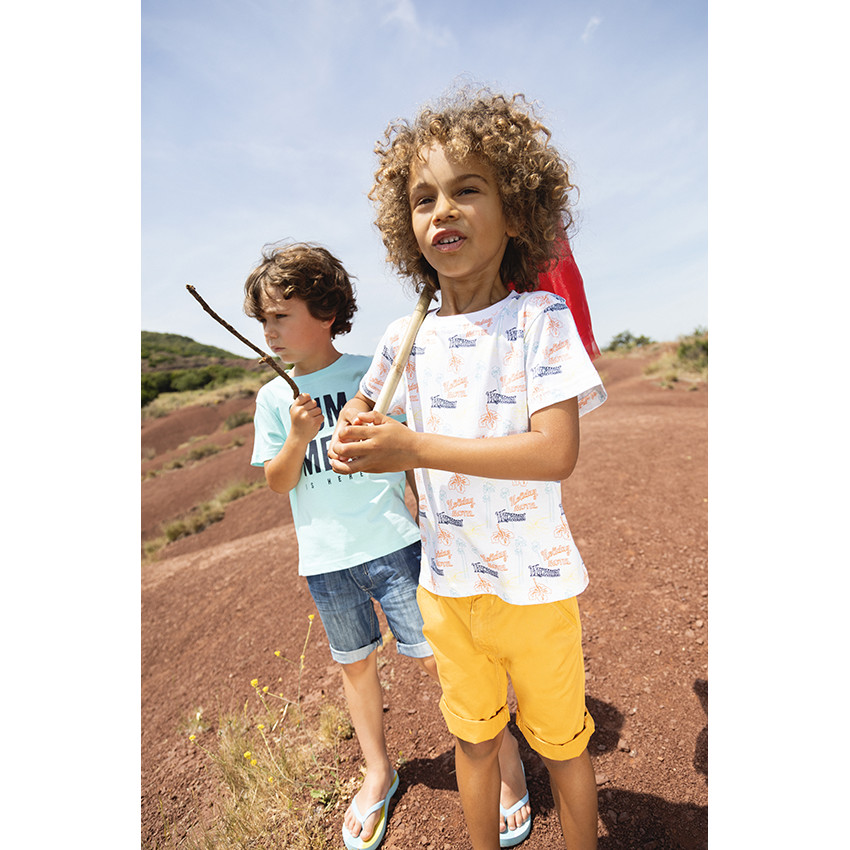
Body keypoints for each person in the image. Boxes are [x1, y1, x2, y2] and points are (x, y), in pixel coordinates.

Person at [329, 89, 607, 850]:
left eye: (467, 189)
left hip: (535, 587)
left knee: (564, 746)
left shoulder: (538, 320)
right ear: (407, 227)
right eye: (423, 199)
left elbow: (555, 453)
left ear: (516, 212)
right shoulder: (404, 336)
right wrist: (353, 432)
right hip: (447, 588)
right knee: (475, 742)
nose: (442, 210)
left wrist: (413, 448)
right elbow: (364, 412)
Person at [245, 240, 528, 850]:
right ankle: (379, 770)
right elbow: (277, 481)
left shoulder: (369, 375)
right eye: (262, 320)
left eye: (280, 316)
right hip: (326, 558)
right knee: (355, 666)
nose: (269, 331)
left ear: (326, 312)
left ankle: (504, 756)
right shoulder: (272, 398)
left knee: (440, 659)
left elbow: (409, 450)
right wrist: (296, 438)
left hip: (395, 544)